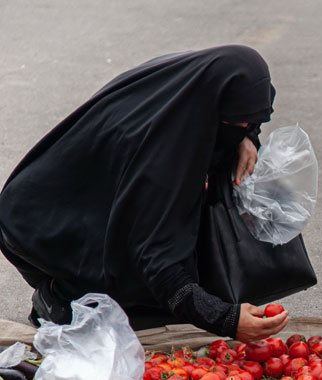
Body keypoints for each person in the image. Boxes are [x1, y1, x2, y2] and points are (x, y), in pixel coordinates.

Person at [0, 45, 288, 342]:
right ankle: (59, 301)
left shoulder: (191, 86)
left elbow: (255, 106)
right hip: (40, 225)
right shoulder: (163, 155)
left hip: (90, 194)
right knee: (143, 303)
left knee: (181, 272)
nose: (241, 125)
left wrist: (246, 136)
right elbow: (156, 259)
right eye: (233, 122)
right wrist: (224, 319)